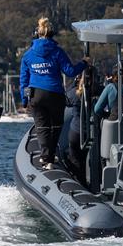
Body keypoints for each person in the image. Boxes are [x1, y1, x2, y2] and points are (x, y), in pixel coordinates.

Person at [20, 17, 88, 170]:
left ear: (37, 34)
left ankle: (46, 158)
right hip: (54, 94)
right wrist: (84, 63)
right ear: (51, 34)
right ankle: (49, 157)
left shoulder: (28, 55)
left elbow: (24, 80)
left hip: (36, 94)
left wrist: (24, 99)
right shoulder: (57, 51)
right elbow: (70, 71)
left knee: (42, 127)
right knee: (56, 126)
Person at [65, 75, 86, 180]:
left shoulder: (74, 93)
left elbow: (66, 100)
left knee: (74, 157)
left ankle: (79, 180)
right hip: (93, 131)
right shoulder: (100, 91)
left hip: (76, 130)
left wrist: (74, 84)